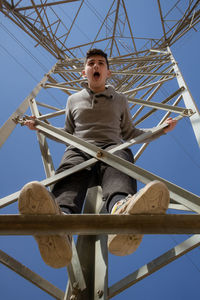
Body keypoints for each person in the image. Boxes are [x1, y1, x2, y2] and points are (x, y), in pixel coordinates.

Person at [19, 48, 177, 268]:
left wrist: (160, 130)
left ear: (108, 73)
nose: (96, 66)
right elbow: (66, 133)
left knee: (121, 160)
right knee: (70, 169)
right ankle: (60, 222)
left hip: (111, 147)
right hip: (79, 148)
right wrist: (40, 127)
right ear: (84, 72)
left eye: (101, 63)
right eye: (91, 63)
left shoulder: (120, 99)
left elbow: (130, 133)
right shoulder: (73, 100)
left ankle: (122, 212)